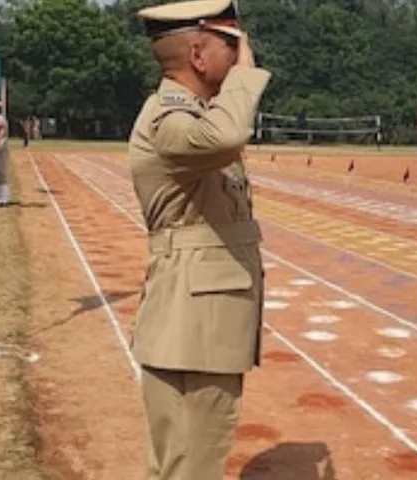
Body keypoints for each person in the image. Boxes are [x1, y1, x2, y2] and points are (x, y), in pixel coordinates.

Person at [127, 0, 271, 478]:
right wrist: (247, 77)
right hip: (195, 322)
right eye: (230, 44)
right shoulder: (171, 120)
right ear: (197, 53)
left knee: (183, 461)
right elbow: (227, 136)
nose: (239, 55)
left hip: (196, 319)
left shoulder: (192, 114)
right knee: (192, 462)